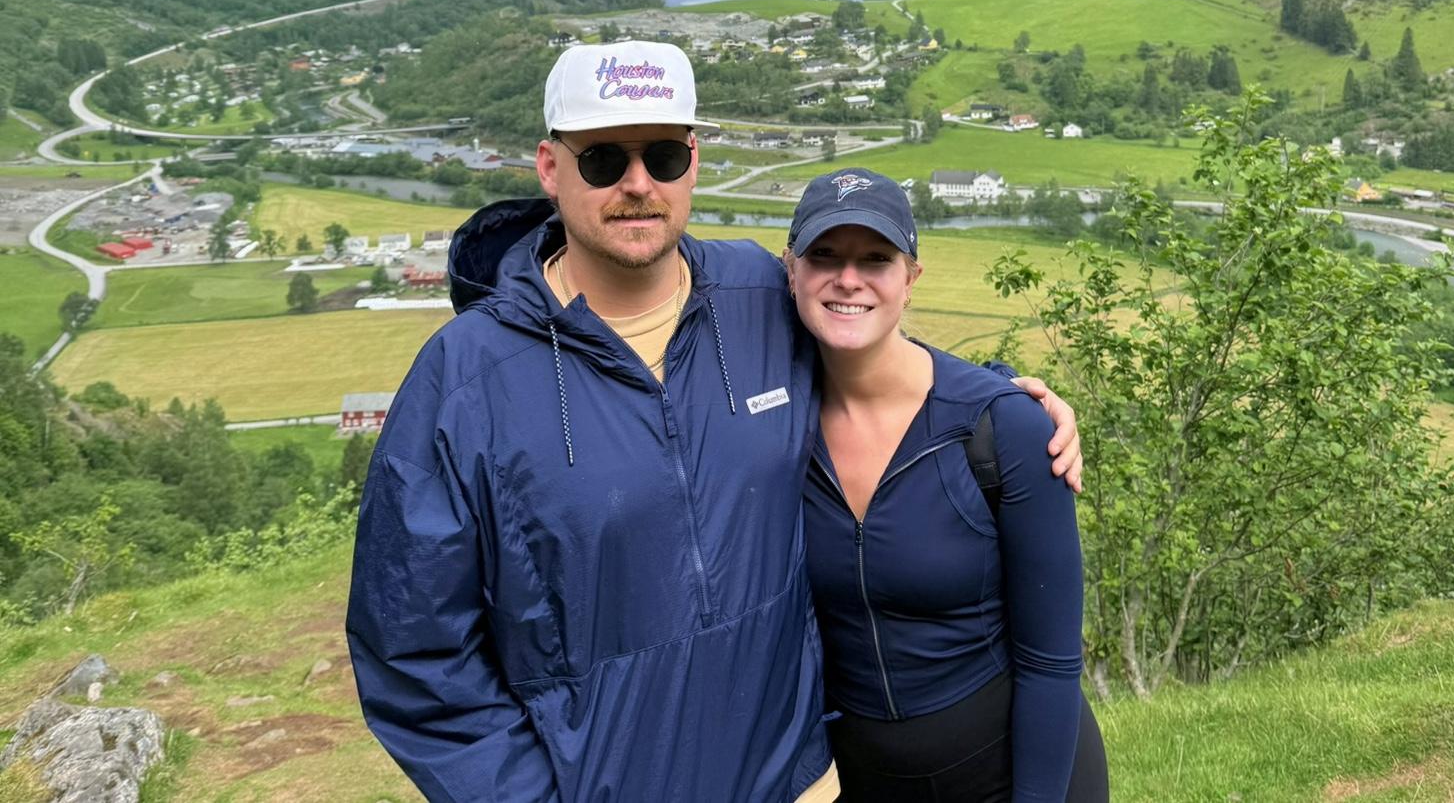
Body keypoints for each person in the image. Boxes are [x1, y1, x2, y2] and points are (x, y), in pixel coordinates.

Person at [347, 41, 1083, 802]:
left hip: (798, 784)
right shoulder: (467, 378)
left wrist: (1001, 401)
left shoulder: (755, 294)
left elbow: (867, 336)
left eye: (663, 156)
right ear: (549, 166)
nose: (638, 185)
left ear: (693, 161)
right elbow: (413, 654)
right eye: (604, 160)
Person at [790, 168, 1108, 803]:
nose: (848, 278)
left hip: (1014, 770)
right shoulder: (770, 422)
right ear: (789, 269)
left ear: (911, 278)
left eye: (876, 258)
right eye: (824, 254)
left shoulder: (1003, 428)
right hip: (865, 779)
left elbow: (1050, 662)